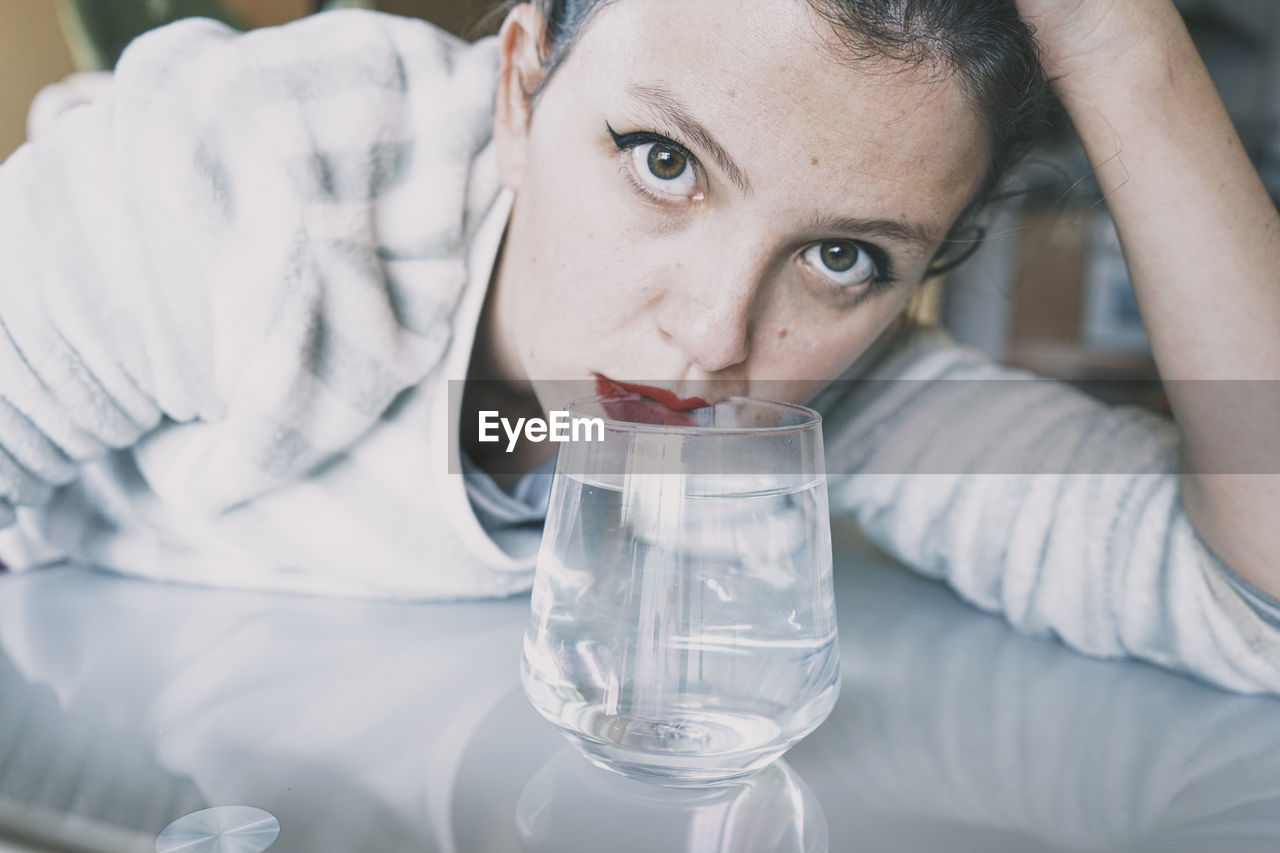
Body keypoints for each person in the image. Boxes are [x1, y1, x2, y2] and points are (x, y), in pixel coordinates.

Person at [0, 0, 1276, 691]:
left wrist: (1125, 52)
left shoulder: (833, 394)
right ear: (520, 87)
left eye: (844, 256)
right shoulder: (259, 179)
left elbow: (1256, 607)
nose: (712, 340)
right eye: (661, 161)